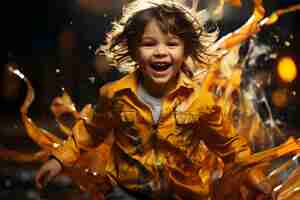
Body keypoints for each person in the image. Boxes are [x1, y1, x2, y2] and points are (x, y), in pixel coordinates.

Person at [35, 2, 253, 199]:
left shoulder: (200, 101)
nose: (160, 52)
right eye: (149, 44)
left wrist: (254, 177)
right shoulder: (115, 95)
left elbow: (230, 145)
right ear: (133, 50)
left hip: (181, 195)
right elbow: (88, 132)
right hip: (125, 192)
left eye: (171, 44)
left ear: (186, 50)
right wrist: (58, 161)